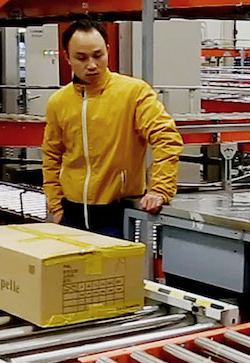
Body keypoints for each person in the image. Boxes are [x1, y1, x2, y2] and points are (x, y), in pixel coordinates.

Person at [42, 19, 183, 239]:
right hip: (71, 215)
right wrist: (56, 205)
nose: (91, 65)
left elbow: (166, 137)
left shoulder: (134, 93)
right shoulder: (58, 102)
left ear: (108, 51)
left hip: (119, 213)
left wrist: (160, 188)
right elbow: (51, 156)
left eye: (98, 56)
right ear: (66, 57)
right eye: (81, 58)